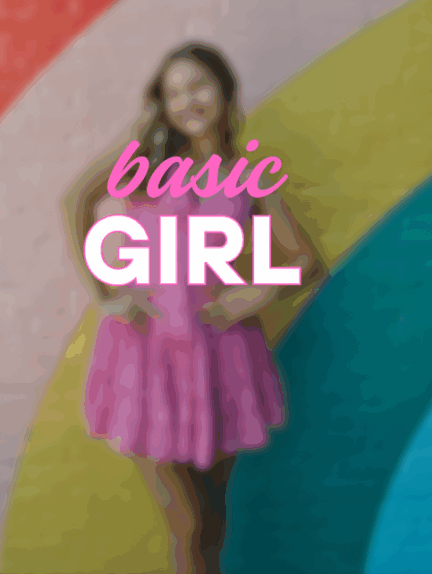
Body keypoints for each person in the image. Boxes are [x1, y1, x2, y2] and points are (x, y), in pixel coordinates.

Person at [62, 42, 324, 573]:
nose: (188, 101)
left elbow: (305, 261)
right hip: (147, 357)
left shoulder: (249, 174)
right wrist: (105, 293)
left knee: (212, 523)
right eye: (174, 92)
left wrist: (259, 290)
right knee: (184, 528)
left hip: (221, 358)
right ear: (161, 104)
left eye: (199, 85)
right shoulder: (145, 160)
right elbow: (77, 202)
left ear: (226, 92)